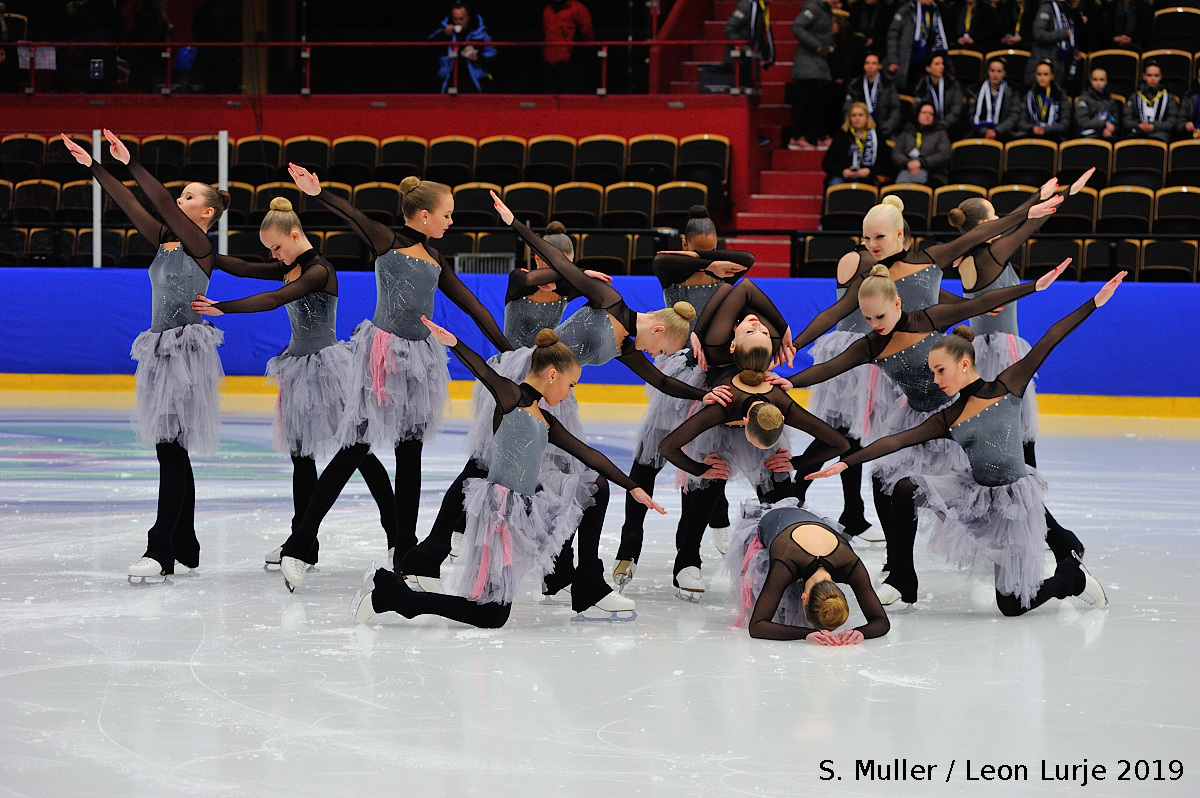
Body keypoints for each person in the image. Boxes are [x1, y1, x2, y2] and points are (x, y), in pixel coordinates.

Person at [396, 190, 727, 618]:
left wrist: (703, 394)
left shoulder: (628, 347)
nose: (657, 355)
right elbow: (561, 263)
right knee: (489, 468)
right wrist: (515, 224)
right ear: (660, 329)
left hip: (554, 393)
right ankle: (432, 559)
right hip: (526, 377)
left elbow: (662, 381)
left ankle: (563, 576)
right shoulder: (609, 301)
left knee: (570, 481)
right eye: (662, 348)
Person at [785, 192, 1067, 606]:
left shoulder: (928, 267)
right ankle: (901, 575)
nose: (871, 245)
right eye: (866, 238)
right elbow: (833, 336)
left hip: (953, 407)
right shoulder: (873, 290)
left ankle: (1060, 544)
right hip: (912, 408)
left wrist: (1028, 218)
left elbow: (979, 244)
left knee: (992, 488)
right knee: (887, 483)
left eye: (879, 237)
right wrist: (789, 364)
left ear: (901, 234)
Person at [807, 275, 1124, 615]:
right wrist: (847, 461)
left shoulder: (1008, 386)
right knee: (903, 487)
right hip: (972, 494)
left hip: (1012, 508)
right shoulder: (949, 416)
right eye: (932, 372)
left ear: (964, 363)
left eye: (940, 371)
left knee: (1012, 605)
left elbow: (1052, 336)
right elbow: (897, 440)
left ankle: (1072, 579)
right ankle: (902, 578)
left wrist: (1093, 302)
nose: (935, 380)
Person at [274, 165, 511, 591]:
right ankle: (300, 542)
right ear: (424, 215)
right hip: (383, 358)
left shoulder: (436, 259)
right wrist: (318, 192)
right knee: (355, 447)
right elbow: (352, 215)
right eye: (447, 215)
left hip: (420, 361)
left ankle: (404, 550)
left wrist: (509, 348)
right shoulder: (389, 241)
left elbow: (474, 306)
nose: (451, 221)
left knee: (410, 454)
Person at [354, 322, 665, 628]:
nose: (570, 393)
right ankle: (392, 597)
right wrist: (454, 343)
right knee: (491, 615)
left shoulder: (545, 420)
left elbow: (590, 455)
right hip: (499, 515)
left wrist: (632, 487)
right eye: (571, 385)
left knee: (595, 486)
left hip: (526, 506)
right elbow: (481, 369)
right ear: (552, 375)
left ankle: (587, 584)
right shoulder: (511, 397)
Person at [188, 198, 398, 569]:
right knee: (301, 458)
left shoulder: (319, 270)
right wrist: (206, 254)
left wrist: (224, 307)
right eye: (270, 250)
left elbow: (275, 299)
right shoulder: (290, 266)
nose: (274, 256)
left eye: (277, 247)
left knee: (359, 454)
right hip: (299, 370)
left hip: (329, 371)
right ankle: (302, 542)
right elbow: (245, 268)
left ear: (296, 235)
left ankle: (396, 535)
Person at [61, 131, 226, 582]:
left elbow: (160, 202)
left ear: (206, 213)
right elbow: (130, 203)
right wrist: (94, 166)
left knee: (170, 450)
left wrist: (131, 161)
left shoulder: (200, 244)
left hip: (185, 354)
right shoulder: (165, 240)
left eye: (189, 197)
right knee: (171, 450)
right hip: (160, 350)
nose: (179, 200)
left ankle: (160, 549)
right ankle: (185, 543)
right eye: (181, 195)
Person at [616, 206, 753, 588]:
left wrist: (711, 261)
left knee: (710, 458)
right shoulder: (673, 271)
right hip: (676, 372)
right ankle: (629, 546)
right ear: (685, 244)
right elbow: (661, 259)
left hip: (715, 376)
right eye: (700, 249)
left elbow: (748, 259)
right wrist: (707, 261)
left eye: (713, 248)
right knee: (648, 460)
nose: (709, 257)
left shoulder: (726, 271)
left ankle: (689, 555)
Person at [725, 500, 890, 642]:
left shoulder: (850, 564)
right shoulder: (785, 564)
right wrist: (806, 634)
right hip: (773, 521)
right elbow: (757, 626)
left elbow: (882, 622)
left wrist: (860, 632)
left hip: (805, 523)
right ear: (804, 598)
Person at [789, 0, 835, 151]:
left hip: (817, 63)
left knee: (814, 101)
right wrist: (817, 45)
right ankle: (801, 137)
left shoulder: (825, 9)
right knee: (810, 101)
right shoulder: (813, 7)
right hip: (808, 64)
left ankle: (805, 137)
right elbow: (797, 26)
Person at [428, 2, 496, 93]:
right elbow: (428, 47)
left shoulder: (481, 33)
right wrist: (444, 34)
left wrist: (478, 57)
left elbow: (493, 54)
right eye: (455, 19)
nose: (458, 22)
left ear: (468, 17)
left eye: (461, 19)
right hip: (448, 78)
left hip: (473, 79)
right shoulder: (445, 31)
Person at [886, 0, 950, 93]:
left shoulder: (935, 10)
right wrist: (893, 59)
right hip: (905, 60)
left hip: (924, 60)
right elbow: (892, 35)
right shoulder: (907, 10)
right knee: (903, 91)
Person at [823, 101, 891, 186]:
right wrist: (843, 171)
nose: (857, 118)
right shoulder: (841, 137)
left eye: (860, 115)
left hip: (868, 176)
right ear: (849, 118)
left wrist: (869, 171)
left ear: (867, 117)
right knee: (835, 183)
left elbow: (886, 164)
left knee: (862, 185)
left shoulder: (877, 137)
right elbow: (827, 163)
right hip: (844, 176)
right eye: (854, 115)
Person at [843, 52, 902, 139]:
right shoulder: (855, 86)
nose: (870, 66)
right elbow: (847, 109)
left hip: (882, 129)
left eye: (874, 63)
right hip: (859, 129)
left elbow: (895, 110)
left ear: (880, 66)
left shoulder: (888, 85)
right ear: (864, 66)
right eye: (867, 63)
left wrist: (885, 130)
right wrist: (853, 127)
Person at [891, 102, 950, 187]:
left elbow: (943, 155)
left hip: (933, 174)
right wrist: (907, 163)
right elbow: (896, 152)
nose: (927, 116)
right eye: (924, 112)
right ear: (917, 114)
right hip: (906, 170)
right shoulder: (907, 131)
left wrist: (921, 163)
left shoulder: (940, 133)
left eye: (931, 114)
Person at [542, 0, 594, 93]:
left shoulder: (578, 9)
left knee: (570, 98)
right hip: (549, 64)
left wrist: (579, 56)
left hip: (570, 65)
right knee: (549, 99)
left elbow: (588, 36)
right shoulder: (547, 10)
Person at [1027, 0, 1078, 88]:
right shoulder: (1046, 8)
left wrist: (1073, 50)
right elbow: (1039, 34)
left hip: (1059, 61)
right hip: (1044, 60)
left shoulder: (1065, 9)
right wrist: (1062, 34)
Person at [1124, 60, 1177, 144]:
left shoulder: (1168, 98)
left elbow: (1172, 122)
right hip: (1137, 134)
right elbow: (1126, 121)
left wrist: (1155, 126)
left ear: (1160, 77)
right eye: (1149, 75)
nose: (1152, 79)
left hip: (1160, 135)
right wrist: (1138, 125)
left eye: (1156, 75)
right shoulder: (1135, 97)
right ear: (1144, 76)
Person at [970, 55, 1022, 140]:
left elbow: (1013, 116)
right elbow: (972, 115)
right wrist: (985, 131)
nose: (995, 74)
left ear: (1004, 73)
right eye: (992, 71)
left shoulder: (1012, 91)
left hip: (1004, 133)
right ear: (988, 72)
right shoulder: (977, 90)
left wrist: (997, 131)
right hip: (981, 133)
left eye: (999, 71)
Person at [1018, 59, 1071, 142]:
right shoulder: (1029, 95)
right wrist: (1032, 128)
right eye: (1039, 74)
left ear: (1052, 76)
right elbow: (1021, 122)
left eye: (1046, 74)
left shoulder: (1060, 95)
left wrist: (1046, 129)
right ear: (1035, 75)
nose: (1042, 78)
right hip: (1032, 134)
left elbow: (1065, 124)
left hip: (1054, 136)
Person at [913, 52, 964, 134]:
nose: (941, 67)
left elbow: (956, 109)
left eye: (942, 63)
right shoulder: (921, 87)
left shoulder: (952, 84)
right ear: (928, 68)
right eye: (937, 64)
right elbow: (920, 110)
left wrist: (943, 125)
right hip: (928, 129)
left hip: (951, 128)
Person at [724, 0, 776, 73]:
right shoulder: (747, 6)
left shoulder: (762, 8)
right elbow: (729, 29)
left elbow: (759, 34)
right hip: (737, 62)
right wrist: (744, 47)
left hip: (751, 61)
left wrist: (767, 55)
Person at [1076, 67, 1122, 139]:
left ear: (1106, 81)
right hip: (1087, 136)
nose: (1098, 83)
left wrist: (1111, 129)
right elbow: (1083, 123)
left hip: (1108, 136)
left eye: (1101, 80)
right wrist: (1104, 124)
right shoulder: (1084, 99)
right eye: (1095, 79)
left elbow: (1115, 121)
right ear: (1091, 81)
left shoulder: (1111, 100)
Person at [1177, 64, 1200, 141]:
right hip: (1192, 136)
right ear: (1198, 79)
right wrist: (1185, 125)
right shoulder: (1189, 97)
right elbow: (1180, 122)